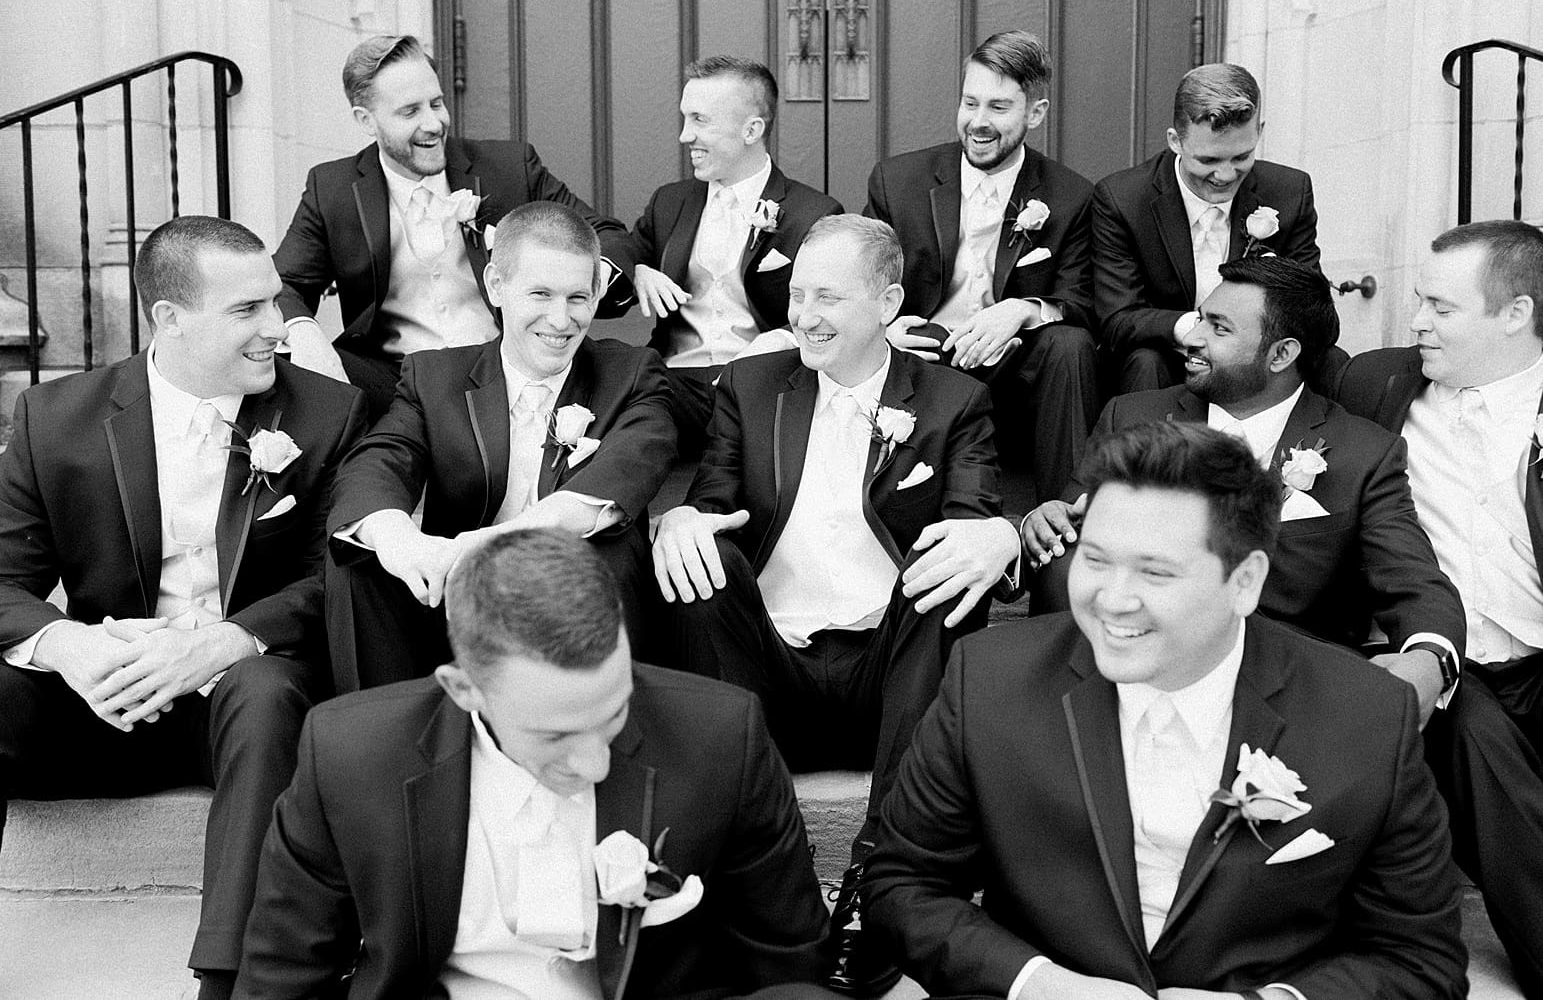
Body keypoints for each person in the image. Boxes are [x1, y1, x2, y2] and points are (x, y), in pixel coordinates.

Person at [866, 421, 1466, 999]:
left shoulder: (1366, 715)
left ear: (1245, 581)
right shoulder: (989, 679)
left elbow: (1420, 960)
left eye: (1154, 572)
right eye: (1095, 560)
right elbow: (902, 886)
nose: (1113, 600)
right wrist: (1038, 985)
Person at [652, 213, 1021, 996]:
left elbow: (971, 514)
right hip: (769, 674)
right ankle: (757, 875)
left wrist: (996, 535)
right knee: (701, 559)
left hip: (891, 681)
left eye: (827, 297)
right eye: (796, 294)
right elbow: (713, 500)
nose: (803, 315)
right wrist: (682, 518)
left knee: (945, 568)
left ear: (887, 303)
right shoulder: (751, 385)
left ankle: (877, 880)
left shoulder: (953, 400)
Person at [0, 216, 368, 1000]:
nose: (277, 327)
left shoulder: (330, 414)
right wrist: (66, 643)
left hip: (244, 714)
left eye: (274, 301)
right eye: (247, 310)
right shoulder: (54, 417)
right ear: (169, 318)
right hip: (105, 701)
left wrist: (230, 638)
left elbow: (335, 576)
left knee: (266, 691)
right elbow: (3, 580)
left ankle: (234, 984)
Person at [236, 529, 836, 1000]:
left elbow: (791, 964)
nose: (595, 763)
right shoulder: (351, 756)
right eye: (555, 734)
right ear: (464, 689)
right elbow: (283, 977)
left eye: (615, 712)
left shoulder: (720, 735)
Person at [1024, 256, 1464, 721]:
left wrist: (1429, 659)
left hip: (1285, 697)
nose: (1192, 337)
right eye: (1200, 319)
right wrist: (1042, 520)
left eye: (1218, 328)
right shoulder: (1132, 418)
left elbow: (1412, 578)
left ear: (1281, 355)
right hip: (1131, 682)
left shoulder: (1364, 452)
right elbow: (1069, 522)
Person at [325, 201, 675, 691]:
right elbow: (379, 462)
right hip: (456, 601)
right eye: (540, 294)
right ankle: (387, 724)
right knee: (361, 556)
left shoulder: (632, 374)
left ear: (598, 294)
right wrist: (400, 541)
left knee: (609, 552)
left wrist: (474, 547)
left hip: (579, 598)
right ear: (495, 285)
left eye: (578, 297)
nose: (561, 319)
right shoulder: (435, 376)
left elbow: (624, 475)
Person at [1335, 219, 1543, 996]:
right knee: (1471, 728)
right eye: (1418, 300)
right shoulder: (1376, 384)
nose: (1415, 320)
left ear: (1514, 314)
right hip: (1447, 665)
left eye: (1439, 307)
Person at [274, 34, 634, 418]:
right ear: (366, 120)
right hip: (392, 384)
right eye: (410, 112)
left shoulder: (509, 167)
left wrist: (584, 286)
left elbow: (607, 234)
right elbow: (284, 283)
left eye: (436, 103)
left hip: (505, 369)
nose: (433, 124)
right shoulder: (333, 188)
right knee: (281, 372)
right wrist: (306, 336)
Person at [864, 29, 1098, 506]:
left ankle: (1064, 514)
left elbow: (1083, 300)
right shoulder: (898, 180)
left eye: (998, 107)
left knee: (1069, 344)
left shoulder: (1071, 195)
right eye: (970, 103)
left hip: (1013, 367)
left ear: (1036, 113)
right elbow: (860, 277)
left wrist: (1023, 310)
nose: (978, 122)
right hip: (923, 356)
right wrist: (880, 331)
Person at [627, 56, 842, 453]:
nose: (685, 136)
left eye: (699, 120)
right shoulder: (669, 202)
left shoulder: (813, 213)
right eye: (685, 119)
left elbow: (831, 310)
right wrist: (638, 269)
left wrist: (779, 340)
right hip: (673, 384)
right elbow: (620, 254)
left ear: (751, 130)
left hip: (761, 386)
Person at [1094, 63, 1321, 394]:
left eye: (1241, 157)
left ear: (1259, 131)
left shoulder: (1290, 191)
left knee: (1328, 359)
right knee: (1145, 361)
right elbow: (1118, 319)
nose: (1226, 175)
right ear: (1175, 141)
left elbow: (1311, 310)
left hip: (1255, 361)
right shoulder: (1123, 199)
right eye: (1209, 161)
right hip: (1165, 357)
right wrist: (1204, 329)